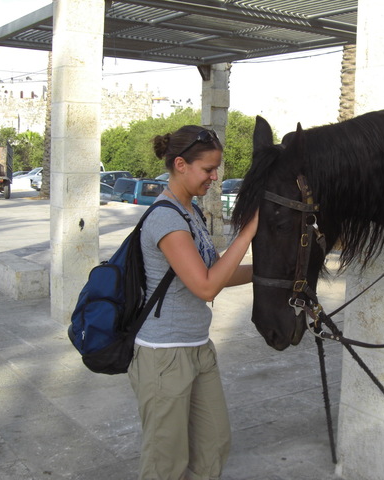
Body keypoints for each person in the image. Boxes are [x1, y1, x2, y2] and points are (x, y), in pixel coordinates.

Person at [128, 125, 258, 480]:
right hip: (163, 355)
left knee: (213, 445)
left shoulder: (193, 214)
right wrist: (247, 231)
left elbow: (217, 272)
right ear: (181, 164)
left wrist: (265, 270)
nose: (215, 178)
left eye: (217, 169)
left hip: (198, 348)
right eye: (208, 169)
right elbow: (205, 287)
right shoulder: (166, 218)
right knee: (165, 463)